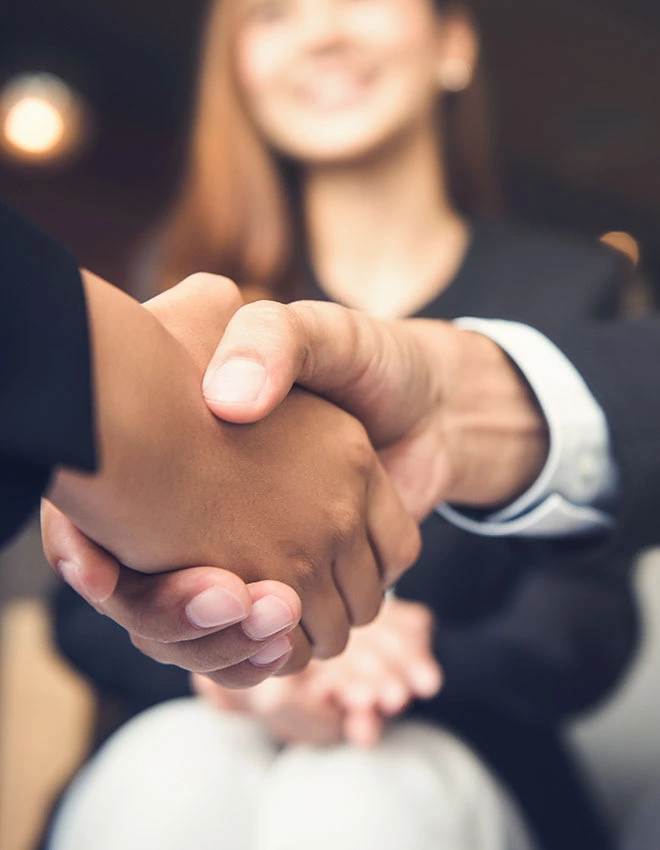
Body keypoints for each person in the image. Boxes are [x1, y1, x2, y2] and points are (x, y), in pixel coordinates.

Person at [46, 1, 640, 847]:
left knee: (362, 795)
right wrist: (239, 674)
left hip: (462, 757)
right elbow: (78, 606)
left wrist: (396, 658)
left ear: (453, 41)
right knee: (173, 766)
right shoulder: (183, 288)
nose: (321, 31)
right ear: (241, 73)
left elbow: (586, 628)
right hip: (214, 741)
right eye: (273, 13)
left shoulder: (571, 291)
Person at [0, 199, 420, 688]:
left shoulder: (527, 290)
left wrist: (391, 670)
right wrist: (221, 678)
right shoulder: (166, 260)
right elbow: (79, 610)